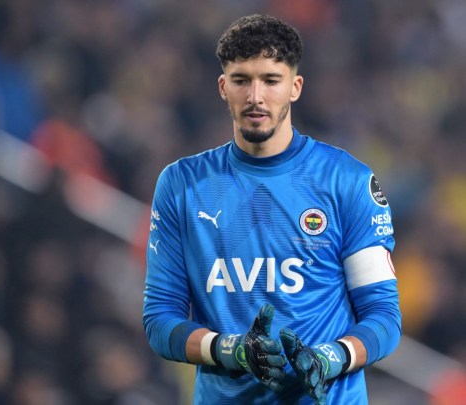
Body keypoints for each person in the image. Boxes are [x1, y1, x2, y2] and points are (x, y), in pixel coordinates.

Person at [142, 14, 401, 405]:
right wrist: (231, 349)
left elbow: (383, 317)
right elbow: (160, 319)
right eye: (241, 80)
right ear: (222, 87)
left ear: (295, 87)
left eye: (270, 80)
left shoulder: (345, 181)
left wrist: (330, 358)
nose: (255, 96)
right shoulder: (182, 185)